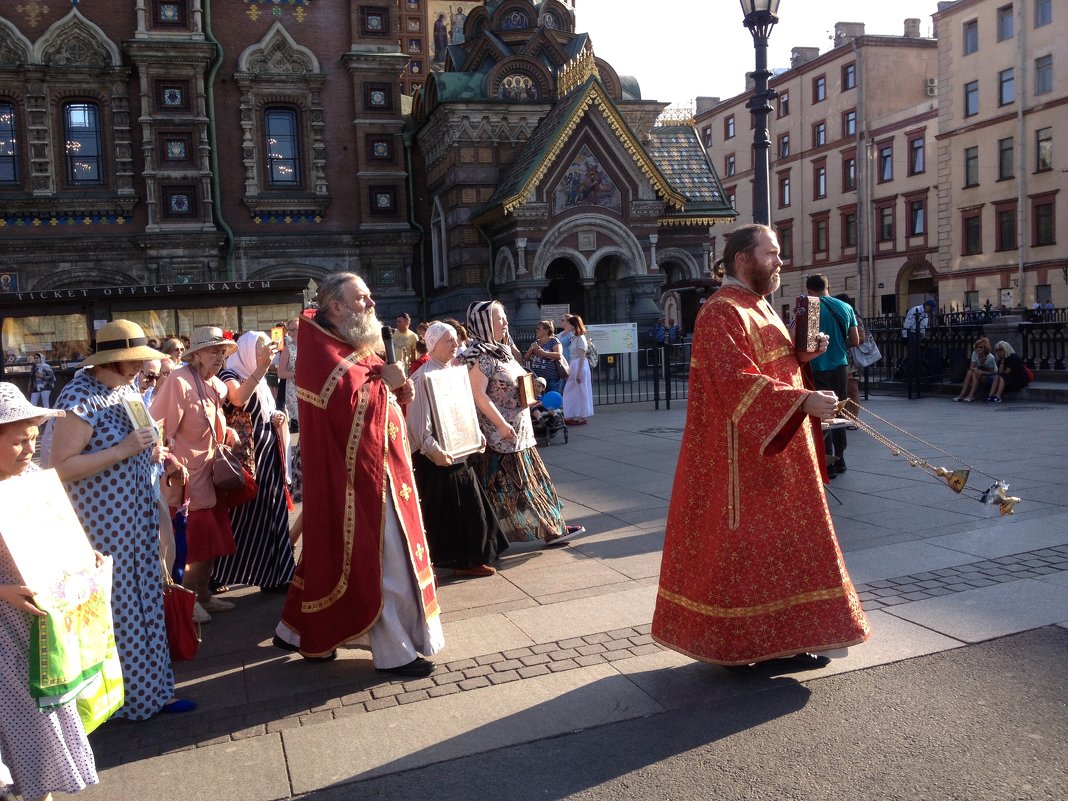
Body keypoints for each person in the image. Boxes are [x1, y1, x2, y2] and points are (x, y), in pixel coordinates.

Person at [652, 225, 870, 669]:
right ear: (741, 260)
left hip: (780, 453)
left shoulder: (758, 307)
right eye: (771, 254)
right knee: (753, 554)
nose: (780, 261)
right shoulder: (720, 312)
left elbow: (773, 367)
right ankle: (749, 644)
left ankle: (785, 638)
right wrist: (803, 399)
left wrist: (803, 360)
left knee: (786, 549)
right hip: (744, 461)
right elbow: (735, 381)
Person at [274, 273, 443, 676]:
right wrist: (386, 386)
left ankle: (301, 633)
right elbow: (350, 409)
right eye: (362, 298)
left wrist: (401, 388)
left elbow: (380, 394)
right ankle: (394, 650)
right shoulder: (323, 352)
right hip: (359, 479)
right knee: (384, 562)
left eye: (368, 297)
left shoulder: (355, 345)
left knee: (330, 557)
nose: (371, 304)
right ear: (337, 307)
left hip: (378, 469)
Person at [49, 321, 193, 718]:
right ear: (113, 360)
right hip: (104, 528)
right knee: (118, 611)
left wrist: (156, 453)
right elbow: (60, 467)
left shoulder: (125, 388)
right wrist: (125, 449)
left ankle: (154, 693)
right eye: (133, 362)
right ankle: (124, 703)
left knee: (144, 602)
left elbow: (141, 439)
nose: (140, 370)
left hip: (137, 520)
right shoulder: (79, 396)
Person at [0, 384, 99, 801]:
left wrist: (81, 553)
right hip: (5, 629)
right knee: (17, 715)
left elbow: (56, 533)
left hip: (38, 628)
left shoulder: (33, 481)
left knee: (42, 714)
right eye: (18, 440)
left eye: (34, 439)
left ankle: (40, 791)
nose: (29, 447)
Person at [463, 301, 585, 545]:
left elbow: (515, 378)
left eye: (504, 316)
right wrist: (499, 424)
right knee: (522, 485)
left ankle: (543, 528)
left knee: (524, 483)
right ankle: (551, 529)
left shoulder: (500, 350)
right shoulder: (480, 355)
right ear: (484, 323)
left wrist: (532, 385)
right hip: (501, 436)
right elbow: (477, 394)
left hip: (518, 432)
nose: (505, 322)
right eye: (499, 318)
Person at [150, 326, 240, 621]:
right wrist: (170, 461)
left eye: (223, 352)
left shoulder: (212, 383)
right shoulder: (179, 380)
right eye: (214, 351)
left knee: (210, 544)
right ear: (196, 354)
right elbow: (159, 429)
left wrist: (228, 432)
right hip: (187, 480)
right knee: (194, 546)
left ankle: (203, 595)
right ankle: (187, 603)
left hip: (210, 476)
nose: (220, 357)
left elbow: (214, 420)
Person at [406, 322, 507, 578]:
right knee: (447, 512)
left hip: (458, 451)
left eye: (454, 340)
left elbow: (463, 410)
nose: (455, 344)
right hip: (437, 458)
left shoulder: (454, 371)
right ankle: (457, 560)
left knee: (471, 506)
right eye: (448, 340)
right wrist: (433, 450)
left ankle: (472, 558)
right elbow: (418, 424)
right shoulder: (422, 377)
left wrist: (476, 435)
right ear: (433, 345)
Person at [214, 332, 294, 593]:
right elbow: (239, 400)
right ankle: (221, 573)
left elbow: (265, 410)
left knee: (273, 509)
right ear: (248, 352)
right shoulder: (230, 375)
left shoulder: (257, 377)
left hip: (267, 454)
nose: (265, 356)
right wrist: (260, 369)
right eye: (260, 350)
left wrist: (278, 416)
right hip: (246, 459)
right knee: (242, 515)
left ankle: (277, 574)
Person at [806, 275, 859, 478]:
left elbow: (807, 342)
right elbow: (854, 340)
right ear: (829, 287)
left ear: (809, 290)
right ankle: (841, 458)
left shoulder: (811, 307)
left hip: (817, 366)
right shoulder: (845, 307)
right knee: (839, 411)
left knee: (822, 414)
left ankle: (827, 460)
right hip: (840, 366)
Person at [561, 314, 594, 426]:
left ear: (574, 325)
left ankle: (582, 415)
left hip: (579, 365)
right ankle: (572, 414)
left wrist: (579, 372)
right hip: (574, 364)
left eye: (569, 323)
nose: (567, 325)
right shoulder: (574, 337)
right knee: (572, 390)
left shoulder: (580, 338)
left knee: (581, 390)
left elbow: (582, 356)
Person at [524, 320, 566, 394]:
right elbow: (526, 358)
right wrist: (531, 350)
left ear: (546, 330)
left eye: (539, 329)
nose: (536, 330)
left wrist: (543, 353)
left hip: (551, 379)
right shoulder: (536, 343)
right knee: (538, 402)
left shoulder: (554, 341)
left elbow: (559, 356)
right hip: (537, 379)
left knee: (551, 402)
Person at [954, 337, 997, 402]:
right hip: (979, 372)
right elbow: (972, 367)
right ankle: (962, 394)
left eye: (981, 347)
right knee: (970, 372)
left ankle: (971, 395)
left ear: (985, 348)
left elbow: (992, 372)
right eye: (977, 347)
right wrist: (977, 370)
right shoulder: (975, 353)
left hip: (991, 375)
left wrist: (981, 372)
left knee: (974, 372)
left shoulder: (990, 358)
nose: (978, 349)